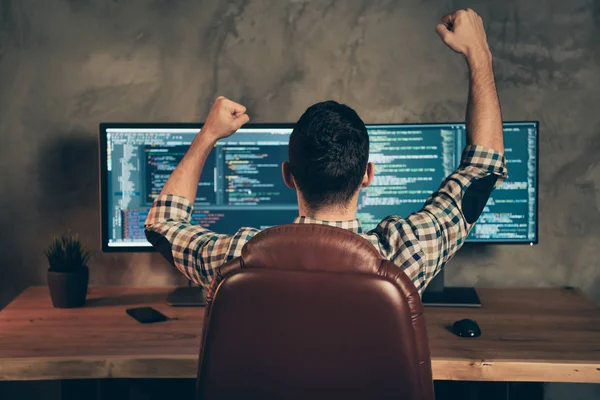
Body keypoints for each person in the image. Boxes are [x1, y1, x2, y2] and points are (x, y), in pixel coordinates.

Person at [144, 9, 507, 294]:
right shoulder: (404, 255)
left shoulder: (242, 257)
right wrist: (480, 55)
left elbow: (162, 225)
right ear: (367, 175)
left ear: (288, 175)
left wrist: (208, 135)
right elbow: (482, 167)